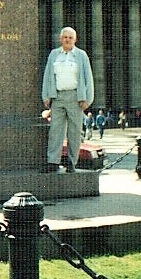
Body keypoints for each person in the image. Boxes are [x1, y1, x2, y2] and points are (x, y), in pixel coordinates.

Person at [42, 27, 94, 173]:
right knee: (55, 131)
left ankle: (72, 162)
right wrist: (46, 96)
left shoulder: (81, 55)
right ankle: (53, 161)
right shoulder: (54, 54)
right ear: (60, 39)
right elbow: (47, 76)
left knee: (75, 132)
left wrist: (88, 99)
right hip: (57, 96)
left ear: (75, 40)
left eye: (70, 37)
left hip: (75, 98)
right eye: (65, 37)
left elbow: (88, 78)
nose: (67, 40)